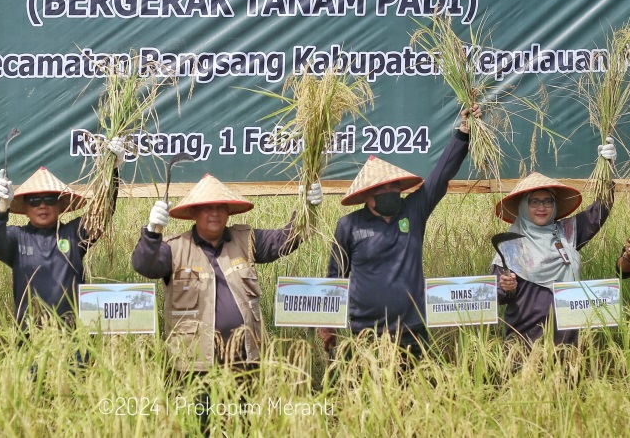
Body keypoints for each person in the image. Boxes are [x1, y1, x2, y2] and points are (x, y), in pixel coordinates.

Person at [318, 105, 480, 358]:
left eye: (394, 187)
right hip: (365, 334)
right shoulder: (349, 225)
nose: (389, 192)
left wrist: (463, 134)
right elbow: (334, 278)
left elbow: (441, 175)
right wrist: (327, 323)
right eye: (381, 189)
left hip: (412, 331)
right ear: (366, 195)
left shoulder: (413, 211)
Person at [132, 173, 323, 371]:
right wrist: (152, 232)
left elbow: (287, 239)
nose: (215, 213)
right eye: (207, 208)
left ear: (228, 212)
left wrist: (306, 207)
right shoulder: (174, 248)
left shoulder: (247, 240)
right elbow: (144, 265)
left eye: (220, 207)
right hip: (194, 365)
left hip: (245, 359)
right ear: (194, 213)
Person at [493, 142, 619, 346]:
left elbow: (599, 211)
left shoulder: (567, 233)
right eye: (534, 201)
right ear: (524, 207)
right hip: (524, 340)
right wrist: (506, 287)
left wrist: (608, 170)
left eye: (547, 201)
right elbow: (497, 295)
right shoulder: (509, 245)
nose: (541, 207)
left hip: (566, 340)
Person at [0, 140, 124, 327]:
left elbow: (102, 212)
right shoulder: (16, 238)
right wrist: (0, 212)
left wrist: (112, 170)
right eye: (35, 200)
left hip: (73, 337)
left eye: (50, 199)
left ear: (61, 204)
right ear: (25, 208)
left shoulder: (75, 235)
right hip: (29, 340)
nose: (42, 205)